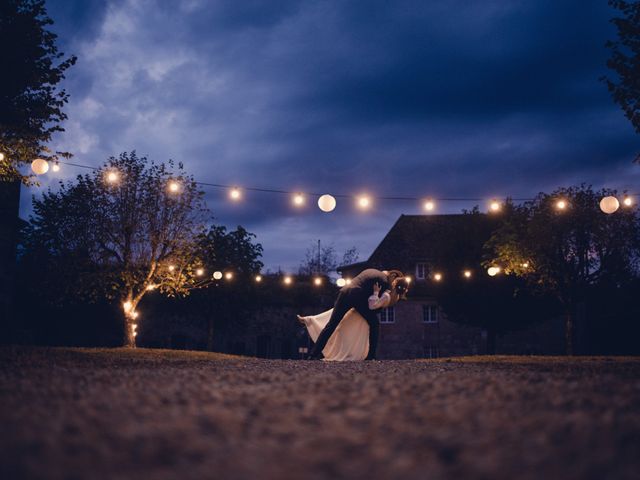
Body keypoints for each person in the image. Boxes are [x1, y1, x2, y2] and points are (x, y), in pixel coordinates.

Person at [298, 269, 410, 361]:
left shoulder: (372, 271)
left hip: (345, 291)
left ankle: (313, 354)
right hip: (357, 296)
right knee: (374, 323)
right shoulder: (385, 283)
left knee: (331, 325)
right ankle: (371, 356)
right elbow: (373, 304)